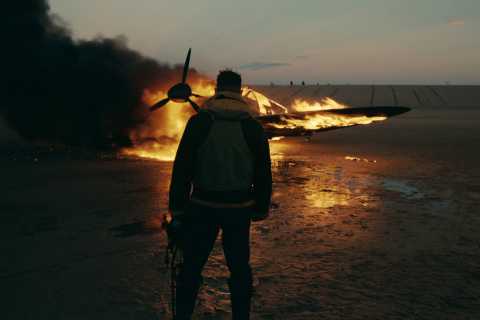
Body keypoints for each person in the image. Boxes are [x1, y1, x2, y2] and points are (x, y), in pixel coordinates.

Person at [168, 68, 272, 320]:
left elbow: (182, 168)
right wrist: (260, 209)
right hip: (240, 210)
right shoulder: (253, 126)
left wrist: (178, 210)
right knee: (239, 269)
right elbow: (263, 172)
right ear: (239, 91)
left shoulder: (198, 122)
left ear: (216, 90)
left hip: (201, 207)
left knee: (191, 268)